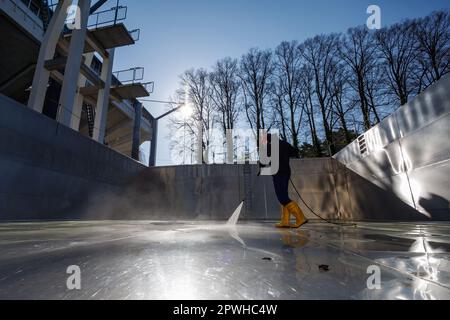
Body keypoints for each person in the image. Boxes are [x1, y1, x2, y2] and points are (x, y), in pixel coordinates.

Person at [260, 134, 308, 228]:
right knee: (284, 196)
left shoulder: (270, 146)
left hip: (278, 173)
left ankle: (300, 217)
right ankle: (285, 221)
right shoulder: (284, 143)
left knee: (282, 198)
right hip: (286, 172)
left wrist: (261, 166)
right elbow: (295, 152)